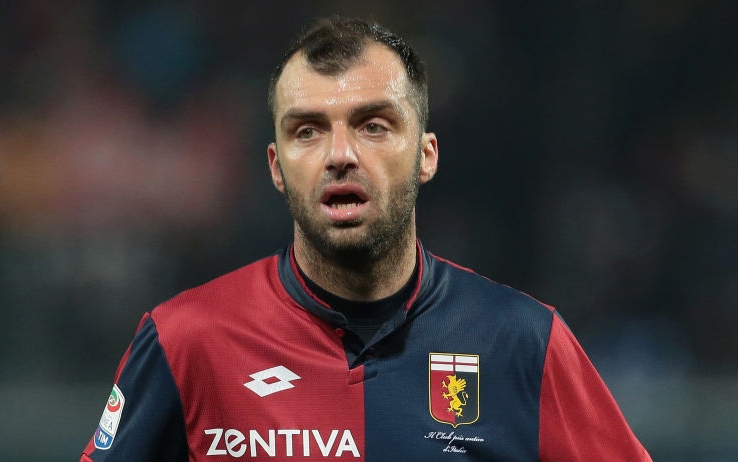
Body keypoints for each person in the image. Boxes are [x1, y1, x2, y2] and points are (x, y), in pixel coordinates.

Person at [80, 16, 652, 461]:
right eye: (308, 131)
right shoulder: (187, 340)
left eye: (373, 125)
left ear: (426, 154)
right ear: (276, 167)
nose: (340, 155)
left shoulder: (523, 343)